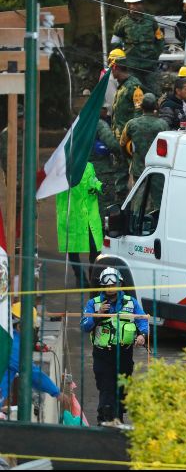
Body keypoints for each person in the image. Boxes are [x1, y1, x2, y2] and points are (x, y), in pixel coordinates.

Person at [80, 267, 149, 423]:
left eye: (114, 284)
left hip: (124, 353)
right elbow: (84, 326)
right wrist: (98, 315)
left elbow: (142, 320)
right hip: (102, 354)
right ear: (103, 286)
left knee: (121, 388)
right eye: (108, 285)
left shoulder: (131, 303)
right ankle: (104, 419)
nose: (111, 288)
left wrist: (142, 335)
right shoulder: (93, 303)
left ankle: (118, 418)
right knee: (106, 388)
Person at [0, 303, 66, 408]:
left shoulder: (6, 337)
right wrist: (56, 393)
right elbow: (31, 373)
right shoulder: (13, 346)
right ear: (20, 326)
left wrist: (33, 347)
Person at [56, 162, 103, 287]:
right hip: (72, 215)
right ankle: (79, 276)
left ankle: (93, 276)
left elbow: (93, 180)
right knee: (72, 248)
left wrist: (99, 186)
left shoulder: (89, 166)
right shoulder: (62, 168)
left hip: (89, 215)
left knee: (95, 247)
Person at [111, 0, 163, 95]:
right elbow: (115, 42)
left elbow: (160, 39)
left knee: (155, 93)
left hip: (150, 66)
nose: (138, 6)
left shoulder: (151, 21)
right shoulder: (122, 23)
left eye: (139, 3)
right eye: (134, 3)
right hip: (132, 66)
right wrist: (122, 59)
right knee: (134, 93)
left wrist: (155, 54)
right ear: (128, 5)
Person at [110, 56, 144, 202]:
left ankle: (135, 205)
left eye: (112, 68)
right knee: (120, 174)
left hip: (128, 140)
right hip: (118, 138)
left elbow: (138, 112)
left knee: (133, 172)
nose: (111, 71)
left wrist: (131, 136)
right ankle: (120, 203)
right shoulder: (121, 85)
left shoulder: (134, 86)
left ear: (117, 68)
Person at [121, 93, 170, 187]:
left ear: (142, 107)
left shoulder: (131, 124)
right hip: (157, 169)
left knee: (138, 197)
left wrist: (131, 158)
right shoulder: (163, 124)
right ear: (155, 106)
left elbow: (123, 144)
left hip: (138, 170)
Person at [93, 103, 122, 218]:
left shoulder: (81, 123)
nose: (106, 112)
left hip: (83, 172)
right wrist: (120, 156)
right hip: (101, 172)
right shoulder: (100, 124)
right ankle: (103, 233)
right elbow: (112, 143)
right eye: (104, 109)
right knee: (104, 206)